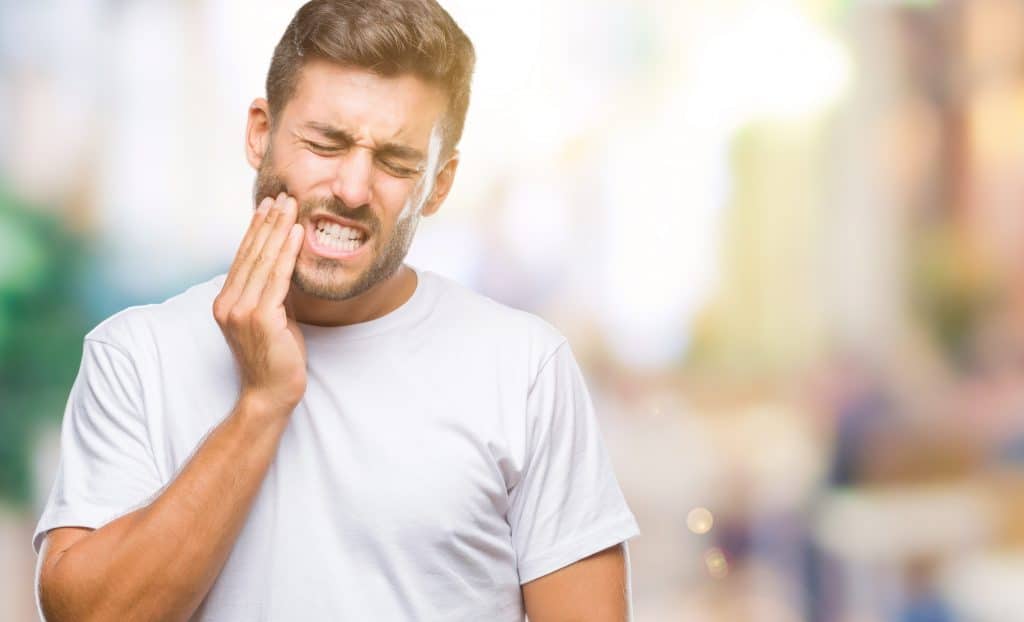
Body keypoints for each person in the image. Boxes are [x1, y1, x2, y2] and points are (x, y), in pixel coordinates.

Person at [32, 1, 640, 620]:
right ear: (260, 133)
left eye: (396, 162)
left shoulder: (525, 368)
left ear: (439, 184)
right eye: (326, 143)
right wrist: (261, 404)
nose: (352, 189)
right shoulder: (135, 357)